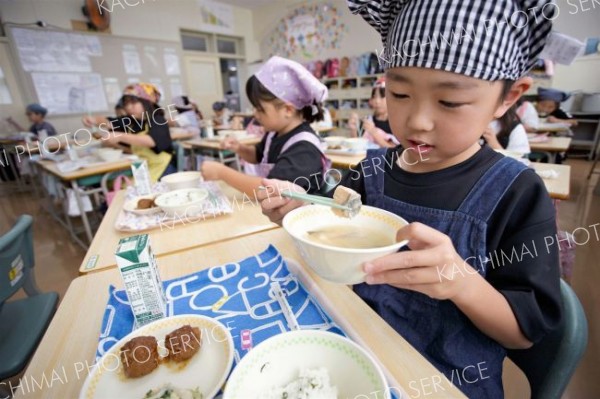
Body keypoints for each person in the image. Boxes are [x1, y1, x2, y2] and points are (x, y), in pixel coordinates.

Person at [257, 1, 562, 397]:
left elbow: (524, 334)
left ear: (507, 98)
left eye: (450, 101)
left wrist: (460, 282)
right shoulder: (373, 171)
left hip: (446, 381)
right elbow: (325, 212)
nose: (417, 120)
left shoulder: (516, 192)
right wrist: (294, 209)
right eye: (399, 93)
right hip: (358, 351)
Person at [201, 56, 330, 196]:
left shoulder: (304, 149)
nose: (255, 114)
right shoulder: (275, 133)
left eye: (260, 109)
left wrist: (222, 172)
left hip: (299, 216)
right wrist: (239, 148)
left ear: (288, 110)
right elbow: (258, 155)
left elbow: (268, 191)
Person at [83, 83, 174, 181]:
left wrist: (120, 136)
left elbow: (151, 141)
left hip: (163, 169)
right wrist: (94, 120)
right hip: (143, 167)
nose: (129, 107)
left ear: (147, 102)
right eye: (126, 103)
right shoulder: (130, 120)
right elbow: (108, 122)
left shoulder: (158, 119)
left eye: (134, 102)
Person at [349, 77, 398, 148]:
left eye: (382, 96)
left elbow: (394, 152)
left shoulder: (396, 124)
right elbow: (357, 146)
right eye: (374, 97)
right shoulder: (367, 120)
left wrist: (373, 132)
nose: (377, 101)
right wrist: (353, 129)